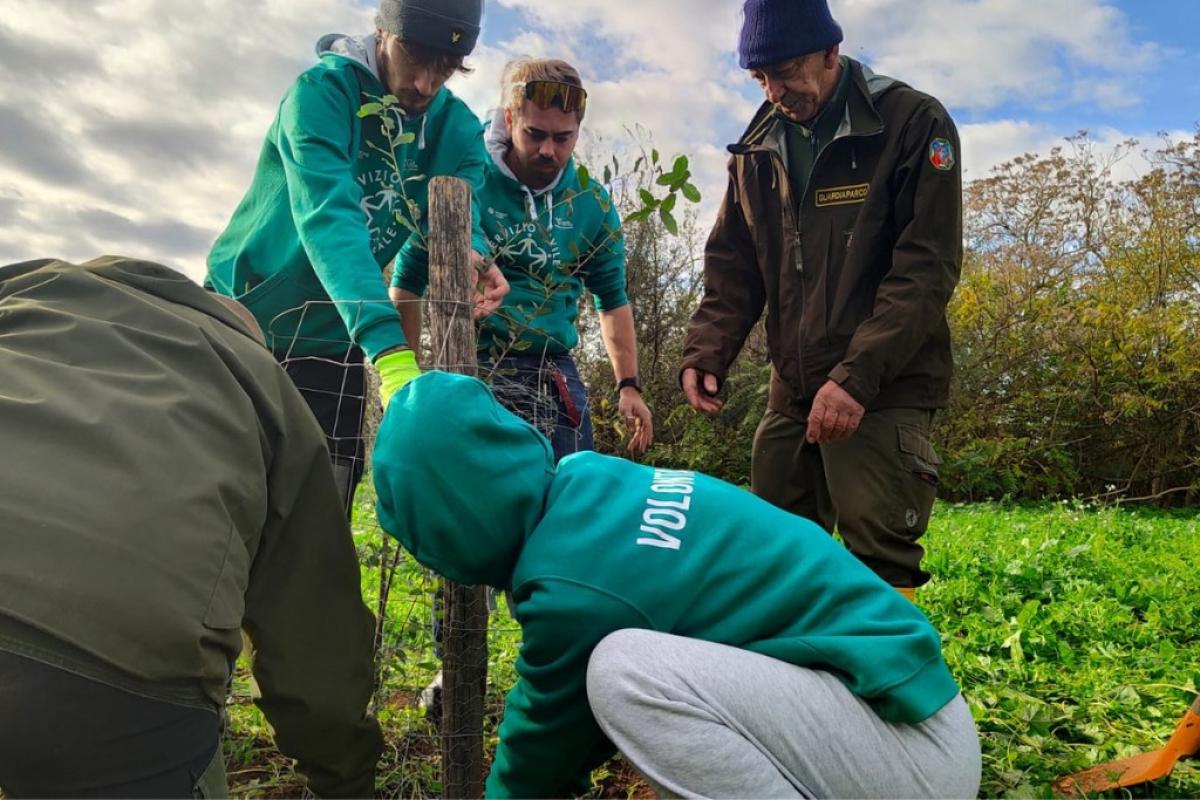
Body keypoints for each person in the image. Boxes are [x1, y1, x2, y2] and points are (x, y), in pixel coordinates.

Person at [373, 371, 981, 798]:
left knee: (624, 672)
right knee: (627, 673)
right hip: (906, 712)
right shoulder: (591, 479)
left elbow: (541, 745)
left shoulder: (571, 588)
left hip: (909, 756)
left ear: (445, 535)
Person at [0, 257, 383, 798]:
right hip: (112, 669)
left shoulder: (26, 297)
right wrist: (345, 778)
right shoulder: (261, 380)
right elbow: (312, 628)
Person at [679, 0, 963, 598]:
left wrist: (856, 379)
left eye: (785, 72)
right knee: (776, 549)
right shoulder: (757, 147)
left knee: (879, 564)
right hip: (794, 387)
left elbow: (926, 269)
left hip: (884, 385)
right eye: (760, 78)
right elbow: (733, 263)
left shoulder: (911, 122)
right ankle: (792, 690)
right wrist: (706, 350)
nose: (775, 91)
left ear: (832, 51)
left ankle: (887, 691)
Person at [207, 0, 507, 510]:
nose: (425, 85)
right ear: (383, 30)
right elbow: (330, 218)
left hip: (336, 336)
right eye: (417, 57)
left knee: (322, 500)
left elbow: (458, 214)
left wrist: (474, 255)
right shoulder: (321, 96)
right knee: (218, 489)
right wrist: (390, 353)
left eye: (446, 68)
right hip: (243, 319)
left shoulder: (455, 130)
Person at [391, 57, 653, 460]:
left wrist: (628, 385)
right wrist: (407, 384)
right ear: (510, 120)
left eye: (563, 138)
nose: (549, 150)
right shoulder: (466, 171)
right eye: (535, 134)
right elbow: (408, 278)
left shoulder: (591, 203)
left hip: (553, 368)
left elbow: (612, 298)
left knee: (566, 497)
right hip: (471, 363)